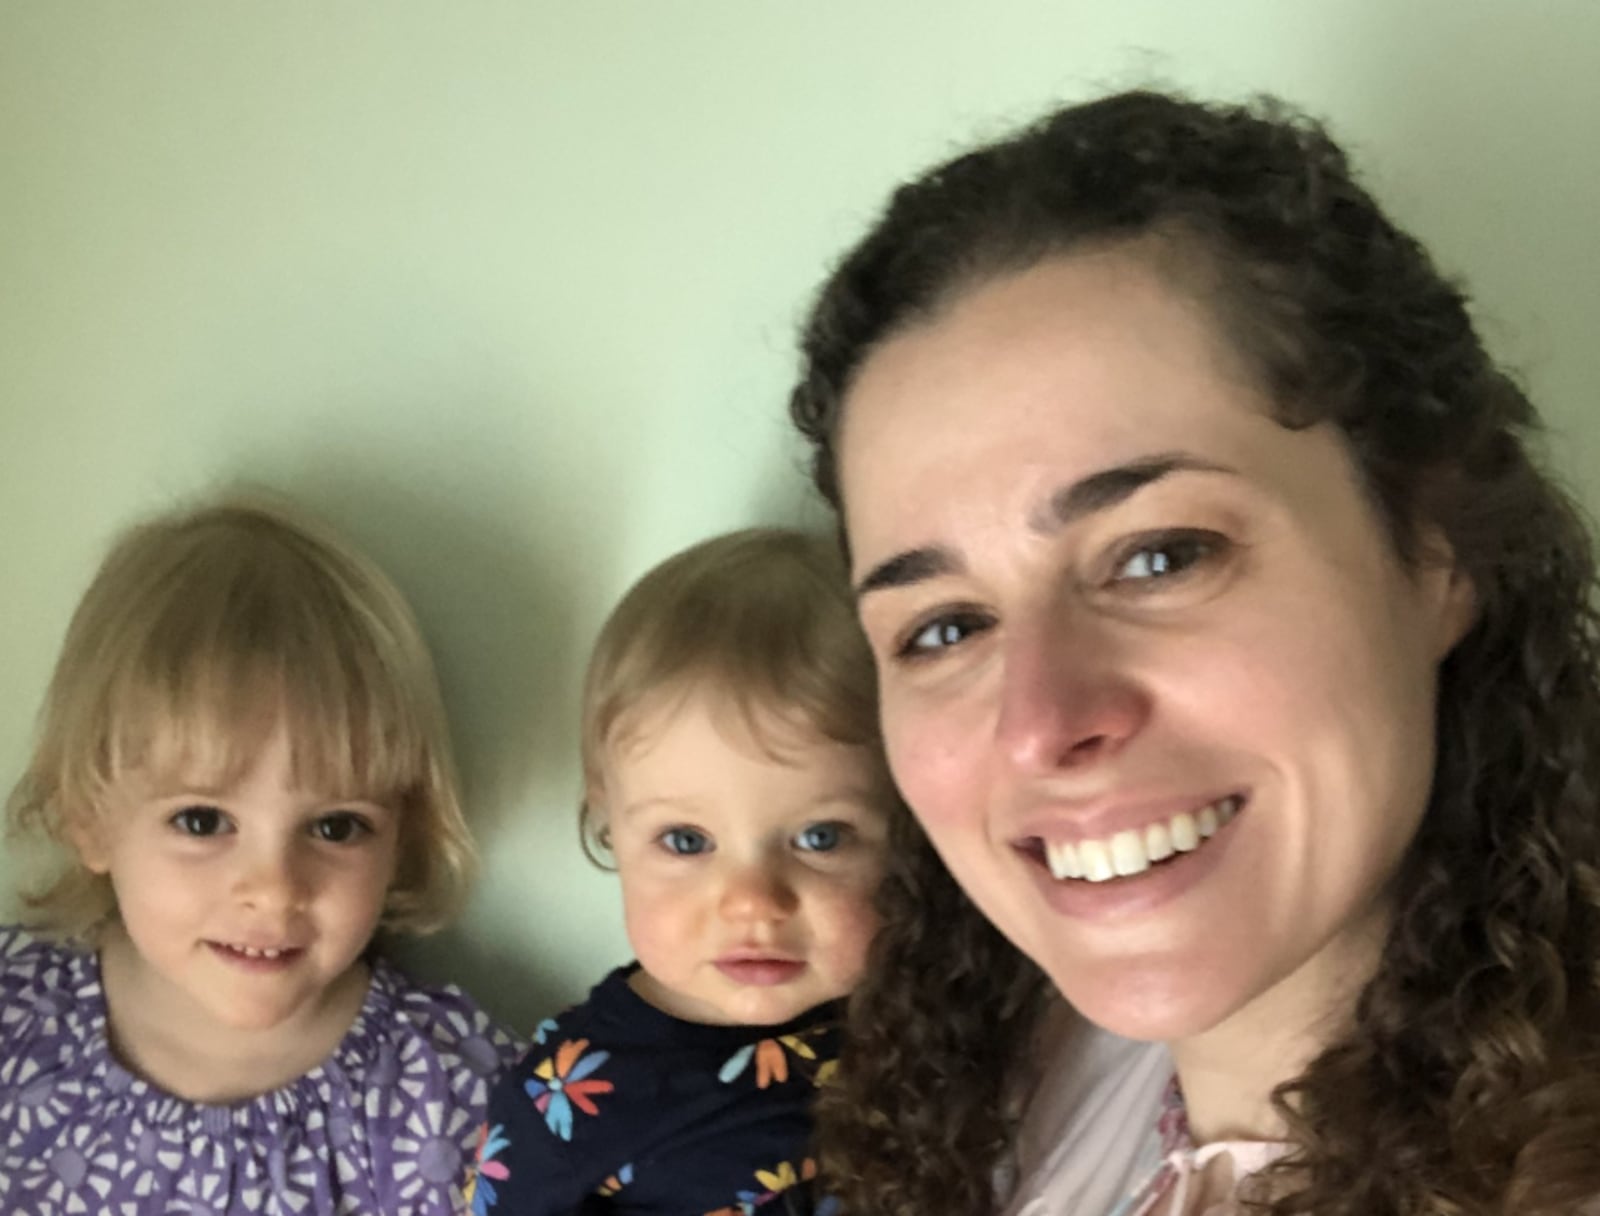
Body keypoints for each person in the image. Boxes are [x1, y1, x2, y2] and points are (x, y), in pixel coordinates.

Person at [787, 90, 1600, 1215]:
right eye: (944, 627)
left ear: (1434, 549)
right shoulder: (1005, 1088)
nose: (1039, 720)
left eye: (1159, 555)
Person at [1, 497, 524, 1214]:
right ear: (87, 815)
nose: (274, 891)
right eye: (202, 819)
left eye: (336, 827)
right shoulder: (15, 1020)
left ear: (403, 837)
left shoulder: (452, 1096)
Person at [469, 527, 892, 1216]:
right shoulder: (570, 1092)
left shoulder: (924, 1021)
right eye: (688, 841)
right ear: (609, 826)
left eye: (820, 837)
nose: (754, 902)